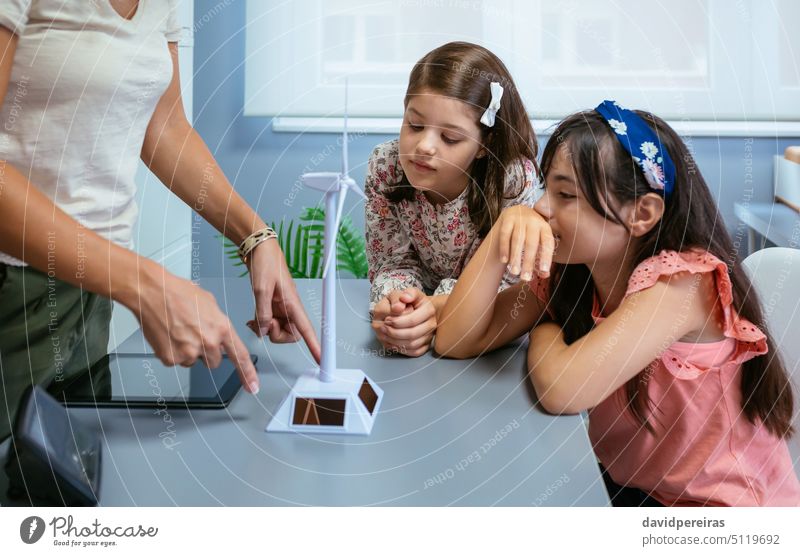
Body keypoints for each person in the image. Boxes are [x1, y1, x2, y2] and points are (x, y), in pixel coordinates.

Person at [436, 101, 800, 506]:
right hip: (631, 488)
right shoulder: (573, 268)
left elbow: (563, 391)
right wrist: (503, 231)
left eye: (565, 194)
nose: (541, 208)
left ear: (641, 213)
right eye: (546, 189)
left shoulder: (684, 283)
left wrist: (545, 329)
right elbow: (457, 340)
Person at [0, 0, 320, 441]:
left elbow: (165, 126)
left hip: (90, 289)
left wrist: (255, 236)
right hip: (13, 288)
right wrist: (145, 283)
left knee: (64, 480)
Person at [365, 41, 548, 357]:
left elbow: (508, 289)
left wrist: (432, 307)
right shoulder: (386, 166)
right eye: (415, 124)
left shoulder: (513, 180)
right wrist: (398, 307)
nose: (424, 146)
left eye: (450, 137)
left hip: (484, 332)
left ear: (483, 144)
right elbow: (392, 261)